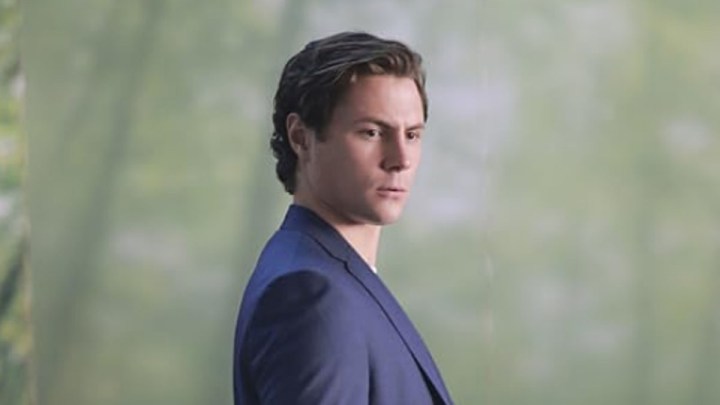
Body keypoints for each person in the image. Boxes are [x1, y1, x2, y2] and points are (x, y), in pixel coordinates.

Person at [233, 31, 453, 405]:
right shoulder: (310, 296)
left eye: (412, 135)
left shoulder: (325, 278)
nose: (400, 159)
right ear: (301, 137)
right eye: (372, 132)